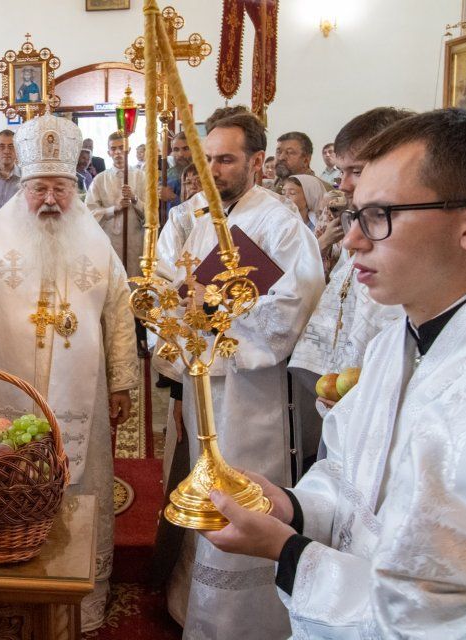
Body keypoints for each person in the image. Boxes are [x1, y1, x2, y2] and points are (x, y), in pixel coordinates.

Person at [204, 107, 466, 638]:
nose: (350, 242)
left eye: (379, 216)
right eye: (353, 216)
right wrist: (295, 508)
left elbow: (437, 613)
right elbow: (352, 481)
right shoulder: (393, 345)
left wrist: (287, 552)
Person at [0, 113, 139, 632]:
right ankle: (8, 581)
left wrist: (121, 380)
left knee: (79, 479)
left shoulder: (96, 242)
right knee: (6, 474)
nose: (50, 198)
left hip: (82, 388)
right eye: (39, 187)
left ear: (76, 186)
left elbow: (119, 309)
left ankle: (78, 596)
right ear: (23, 188)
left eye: (61, 187)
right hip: (7, 382)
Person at [155, 113, 324, 639]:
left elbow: (293, 307)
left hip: (252, 394)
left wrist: (214, 309)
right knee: (197, 482)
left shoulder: (279, 224)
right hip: (198, 378)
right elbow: (160, 286)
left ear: (256, 162)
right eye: (205, 159)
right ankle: (191, 603)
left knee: (241, 487)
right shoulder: (190, 217)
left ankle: (241, 624)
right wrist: (179, 319)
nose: (212, 170)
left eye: (225, 160)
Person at [288, 107, 413, 463]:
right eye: (342, 171)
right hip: (347, 390)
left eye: (354, 170)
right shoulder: (361, 225)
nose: (342, 184)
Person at [86, 131, 146, 277]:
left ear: (129, 150)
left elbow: (152, 211)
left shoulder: (141, 177)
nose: (118, 152)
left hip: (134, 239)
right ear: (108, 152)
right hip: (109, 240)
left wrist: (134, 199)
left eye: (122, 148)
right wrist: (114, 209)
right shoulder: (100, 180)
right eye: (114, 149)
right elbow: (89, 213)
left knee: (134, 281)